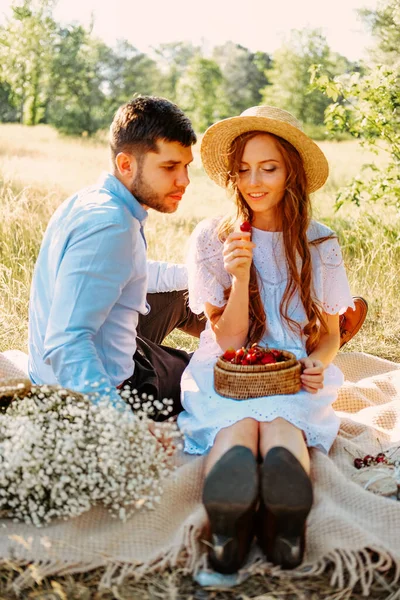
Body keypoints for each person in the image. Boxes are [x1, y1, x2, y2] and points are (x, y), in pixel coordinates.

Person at [177, 105, 356, 574]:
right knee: (240, 425)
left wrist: (318, 361)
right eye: (243, 170)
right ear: (232, 175)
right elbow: (230, 339)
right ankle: (230, 525)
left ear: (290, 172)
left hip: (291, 369)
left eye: (269, 168)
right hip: (228, 366)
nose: (254, 182)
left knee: (280, 424)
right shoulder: (212, 237)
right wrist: (238, 276)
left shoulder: (318, 242)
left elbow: (330, 336)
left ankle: (281, 521)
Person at [28, 95, 204, 415]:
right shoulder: (111, 226)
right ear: (126, 164)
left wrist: (200, 275)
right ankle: (254, 361)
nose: (184, 181)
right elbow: (66, 343)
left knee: (185, 292)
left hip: (117, 350)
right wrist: (123, 427)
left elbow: (123, 271)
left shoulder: (93, 200)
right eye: (170, 167)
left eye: (186, 166)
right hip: (106, 390)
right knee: (206, 375)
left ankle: (246, 346)